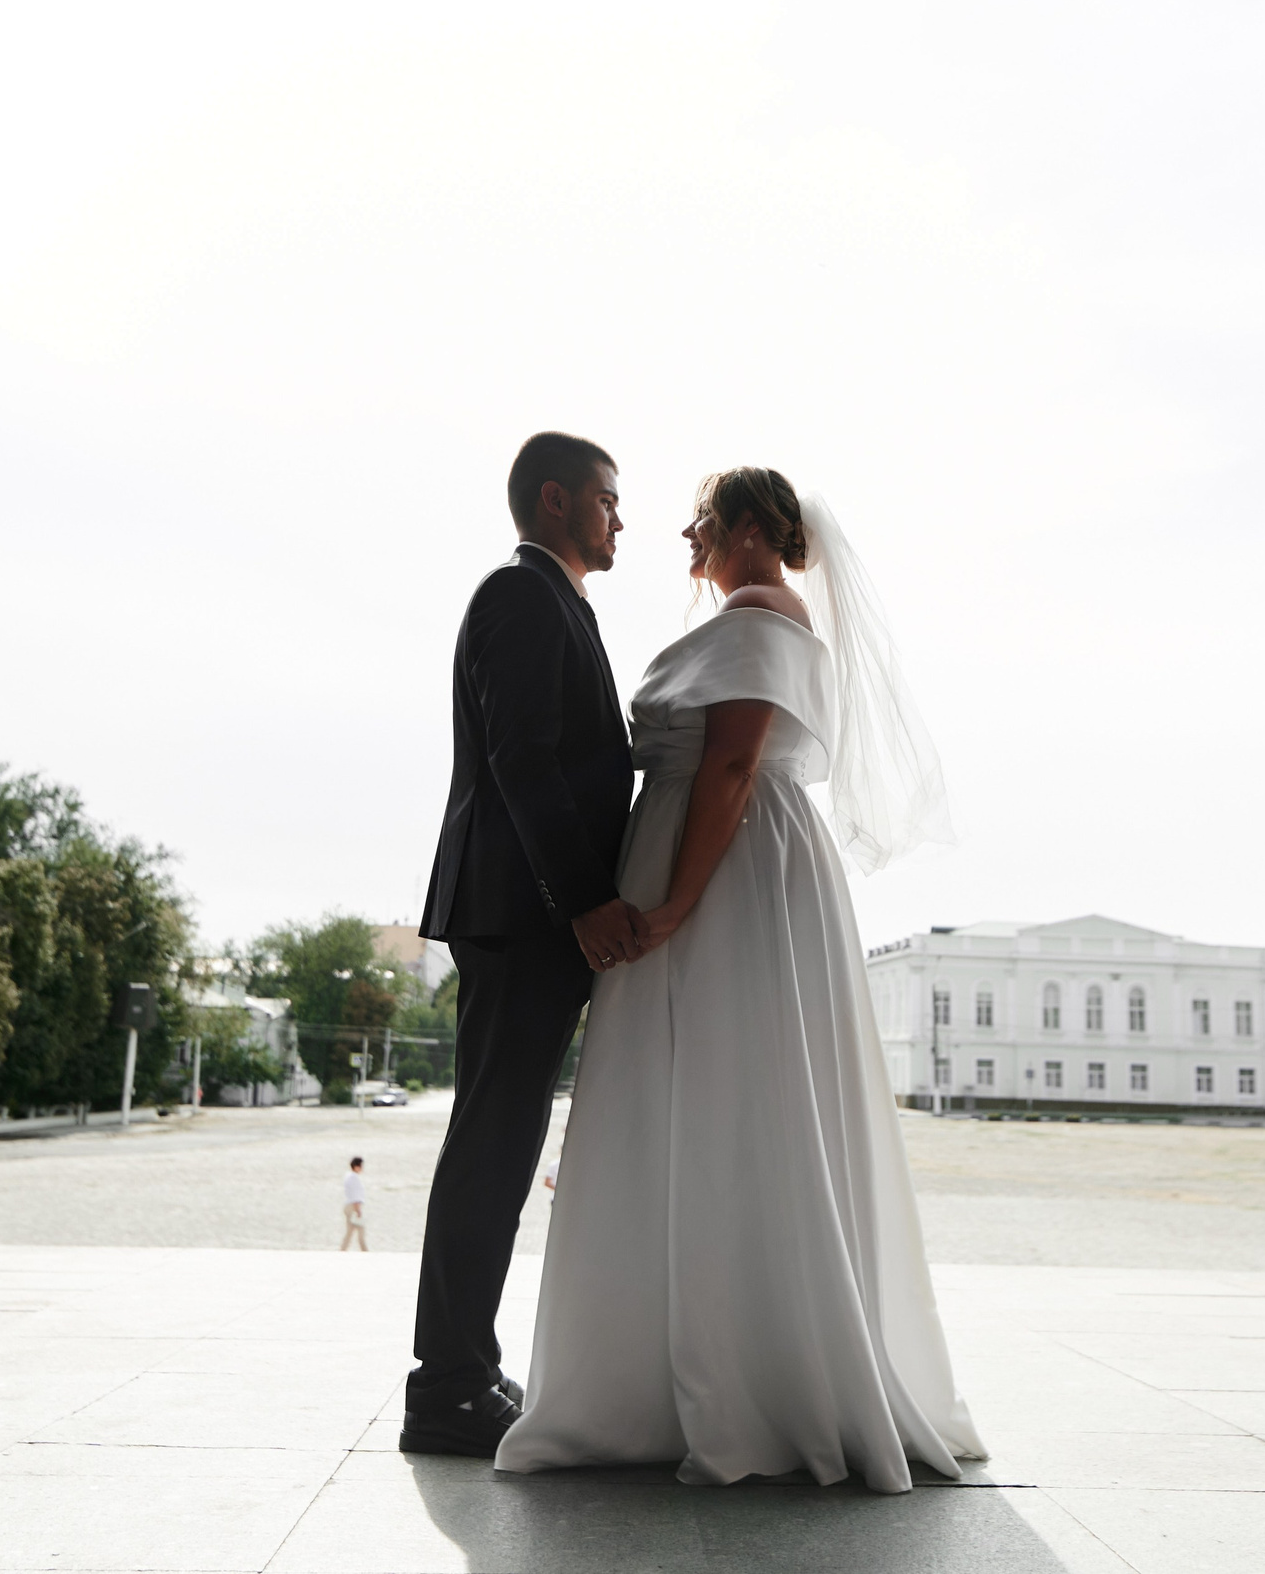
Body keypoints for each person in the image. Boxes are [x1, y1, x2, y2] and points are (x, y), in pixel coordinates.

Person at [494, 467, 985, 1493]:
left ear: (757, 527)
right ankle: (679, 1371)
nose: (686, 533)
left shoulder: (764, 612)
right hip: (720, 859)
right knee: (712, 1098)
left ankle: (729, 1380)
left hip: (727, 872)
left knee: (717, 1093)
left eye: (704, 519)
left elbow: (729, 766)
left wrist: (673, 902)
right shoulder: (759, 611)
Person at [403, 432, 648, 1457]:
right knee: (492, 1145)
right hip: (518, 910)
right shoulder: (518, 595)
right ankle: (448, 1383)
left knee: (502, 1145)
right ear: (555, 502)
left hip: (528, 910)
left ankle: (465, 1367)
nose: (619, 518)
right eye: (606, 498)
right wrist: (586, 897)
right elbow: (521, 758)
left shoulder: (559, 601)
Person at [342, 1156, 368, 1252]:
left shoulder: (348, 1176)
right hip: (353, 1206)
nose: (362, 1168)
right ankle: (365, 1251)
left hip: (349, 1206)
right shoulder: (354, 1178)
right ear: (356, 1166)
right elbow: (355, 1194)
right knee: (361, 1230)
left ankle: (342, 1250)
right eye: (361, 1166)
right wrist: (358, 1209)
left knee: (350, 1232)